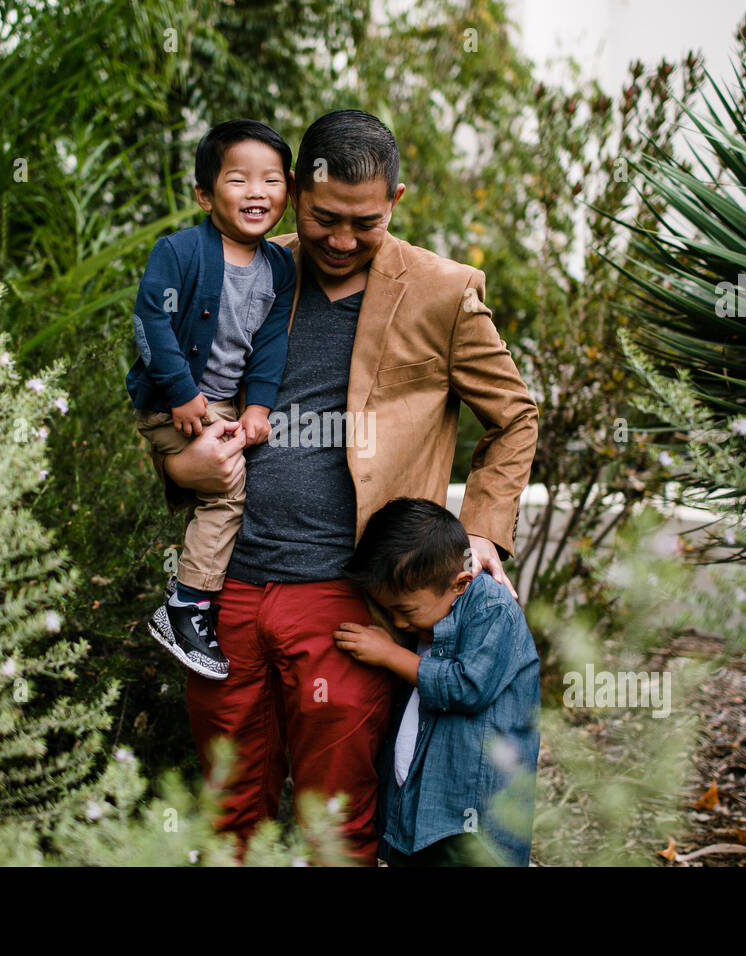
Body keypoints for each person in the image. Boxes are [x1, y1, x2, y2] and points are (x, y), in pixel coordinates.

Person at [152, 109, 539, 864]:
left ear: (397, 199)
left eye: (364, 223)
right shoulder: (249, 271)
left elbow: (515, 416)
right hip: (222, 590)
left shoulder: (443, 293)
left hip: (343, 594)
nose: (339, 239)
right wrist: (175, 465)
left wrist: (485, 530)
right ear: (296, 194)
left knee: (338, 817)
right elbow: (180, 395)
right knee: (227, 805)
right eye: (324, 218)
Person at [125, 119, 296, 680]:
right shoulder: (179, 251)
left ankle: (194, 599)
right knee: (227, 489)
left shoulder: (279, 267)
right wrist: (180, 392)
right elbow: (149, 320)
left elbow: (270, 342)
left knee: (226, 484)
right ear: (204, 194)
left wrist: (259, 406)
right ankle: (185, 607)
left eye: (271, 180)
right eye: (238, 179)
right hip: (170, 398)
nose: (257, 192)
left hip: (224, 403)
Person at [334, 497, 540, 867]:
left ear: (459, 583)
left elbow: (467, 686)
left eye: (406, 611)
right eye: (390, 611)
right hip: (420, 813)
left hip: (470, 819)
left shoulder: (491, 608)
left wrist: (390, 654)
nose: (398, 624)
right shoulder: (435, 607)